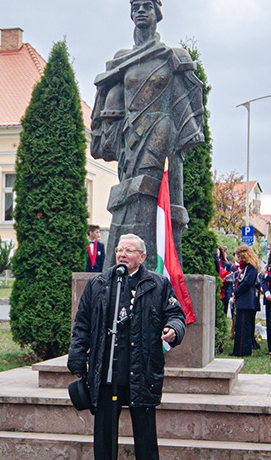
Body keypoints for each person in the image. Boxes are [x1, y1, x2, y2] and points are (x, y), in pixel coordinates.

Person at [68, 234, 186, 460]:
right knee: (104, 428)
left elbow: (176, 315)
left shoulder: (157, 284)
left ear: (142, 257)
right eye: (119, 250)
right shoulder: (99, 284)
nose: (122, 254)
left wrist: (173, 329)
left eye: (129, 251)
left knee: (145, 428)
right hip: (107, 367)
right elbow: (82, 324)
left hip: (141, 368)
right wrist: (77, 360)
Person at [90, 0, 206, 272]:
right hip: (130, 137)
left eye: (147, 6)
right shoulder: (122, 59)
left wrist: (179, 141)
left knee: (153, 194)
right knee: (128, 196)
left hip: (162, 133)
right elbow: (110, 99)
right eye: (136, 7)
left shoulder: (171, 56)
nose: (141, 11)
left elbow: (188, 102)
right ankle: (122, 265)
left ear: (157, 13)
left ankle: (157, 268)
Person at [230, 245, 261, 357]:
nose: (238, 259)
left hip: (246, 300)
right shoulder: (246, 268)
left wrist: (236, 292)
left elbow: (247, 283)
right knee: (243, 326)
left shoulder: (251, 268)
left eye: (239, 257)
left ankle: (241, 351)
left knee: (243, 327)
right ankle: (243, 350)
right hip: (243, 300)